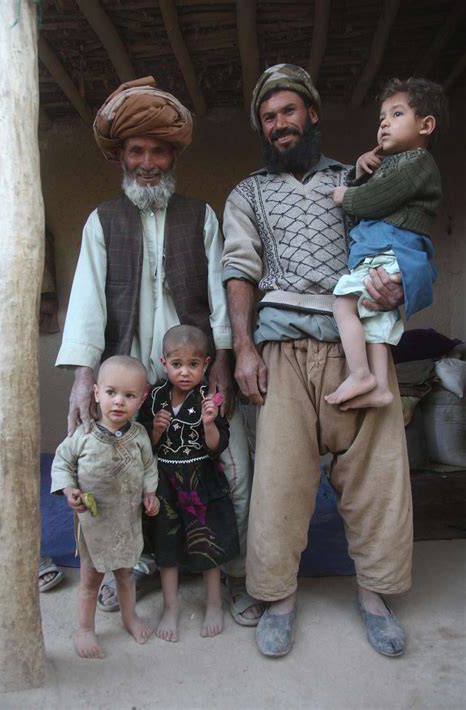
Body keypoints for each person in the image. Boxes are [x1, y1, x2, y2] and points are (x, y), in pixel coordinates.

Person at [55, 75, 261, 626]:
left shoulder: (201, 216)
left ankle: (237, 570)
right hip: (127, 374)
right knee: (120, 476)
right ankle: (134, 565)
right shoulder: (103, 220)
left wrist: (220, 361)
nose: (148, 162)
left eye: (159, 151)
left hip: (194, 370)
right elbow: (87, 304)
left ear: (174, 157)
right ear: (122, 157)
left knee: (233, 466)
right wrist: (83, 378)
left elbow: (221, 292)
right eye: (136, 151)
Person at [222, 64, 412, 658]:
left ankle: (376, 593)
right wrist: (244, 348)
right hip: (280, 347)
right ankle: (278, 596)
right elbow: (239, 269)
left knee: (378, 475)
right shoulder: (247, 192)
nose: (280, 124)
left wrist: (397, 285)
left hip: (357, 345)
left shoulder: (355, 180)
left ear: (312, 115)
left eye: (289, 111)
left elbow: (389, 241)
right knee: (279, 480)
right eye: (269, 116)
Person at [325, 77, 447, 409]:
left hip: (388, 249)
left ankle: (359, 373)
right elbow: (383, 183)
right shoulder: (400, 164)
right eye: (381, 118)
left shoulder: (417, 163)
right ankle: (379, 386)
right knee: (375, 320)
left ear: (426, 125)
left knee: (344, 305)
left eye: (396, 114)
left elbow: (378, 198)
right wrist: (365, 166)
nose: (384, 124)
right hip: (390, 251)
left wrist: (346, 195)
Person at [50, 355, 160, 659]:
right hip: (94, 524)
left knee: (126, 574)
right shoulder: (82, 435)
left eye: (129, 395)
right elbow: (62, 464)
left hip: (127, 521)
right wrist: (69, 489)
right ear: (96, 392)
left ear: (142, 397)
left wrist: (150, 493)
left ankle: (130, 618)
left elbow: (149, 467)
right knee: (90, 579)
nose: (119, 402)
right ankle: (84, 628)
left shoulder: (138, 437)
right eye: (111, 392)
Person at [139, 325, 240, 641]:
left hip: (200, 481)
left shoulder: (207, 399)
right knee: (166, 546)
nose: (185, 372)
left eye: (193, 365)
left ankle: (213, 603)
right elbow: (144, 447)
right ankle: (171, 607)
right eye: (177, 364)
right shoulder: (154, 397)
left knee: (206, 542)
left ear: (207, 364)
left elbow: (216, 446)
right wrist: (155, 431)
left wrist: (209, 423)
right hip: (165, 483)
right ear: (163, 362)